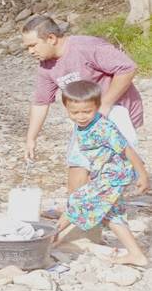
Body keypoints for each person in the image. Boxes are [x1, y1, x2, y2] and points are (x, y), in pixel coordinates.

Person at [22, 15, 143, 196]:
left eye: (33, 45)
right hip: (86, 116)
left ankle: (108, 211)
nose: (30, 51)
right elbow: (41, 102)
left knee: (111, 164)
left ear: (51, 38)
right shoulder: (46, 66)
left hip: (117, 110)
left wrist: (105, 105)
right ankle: (74, 210)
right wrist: (31, 139)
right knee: (78, 160)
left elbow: (127, 68)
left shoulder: (85, 46)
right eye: (27, 47)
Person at [52, 81, 148, 266]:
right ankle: (136, 255)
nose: (81, 117)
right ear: (66, 109)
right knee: (112, 214)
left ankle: (51, 238)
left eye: (87, 112)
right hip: (103, 173)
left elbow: (127, 149)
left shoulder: (103, 127)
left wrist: (142, 174)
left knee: (79, 199)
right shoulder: (82, 126)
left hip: (114, 175)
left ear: (97, 106)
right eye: (75, 113)